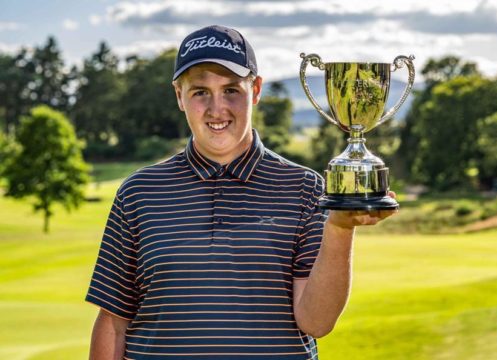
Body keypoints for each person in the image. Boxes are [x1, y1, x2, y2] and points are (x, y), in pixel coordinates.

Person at [86, 25, 396, 360]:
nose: (217, 109)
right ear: (179, 95)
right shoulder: (139, 193)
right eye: (200, 92)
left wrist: (339, 226)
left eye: (231, 89)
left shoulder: (304, 188)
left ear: (256, 89)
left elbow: (316, 322)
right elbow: (113, 323)